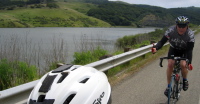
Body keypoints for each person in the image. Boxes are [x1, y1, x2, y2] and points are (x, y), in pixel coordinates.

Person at [151, 16, 195, 97]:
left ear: (187, 26)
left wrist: (189, 62)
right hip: (174, 49)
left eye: (183, 26)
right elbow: (162, 41)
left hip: (184, 51)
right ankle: (168, 87)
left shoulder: (190, 34)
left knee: (183, 65)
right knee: (170, 64)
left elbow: (189, 50)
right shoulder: (171, 30)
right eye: (179, 26)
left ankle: (185, 80)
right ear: (176, 25)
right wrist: (156, 48)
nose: (181, 28)